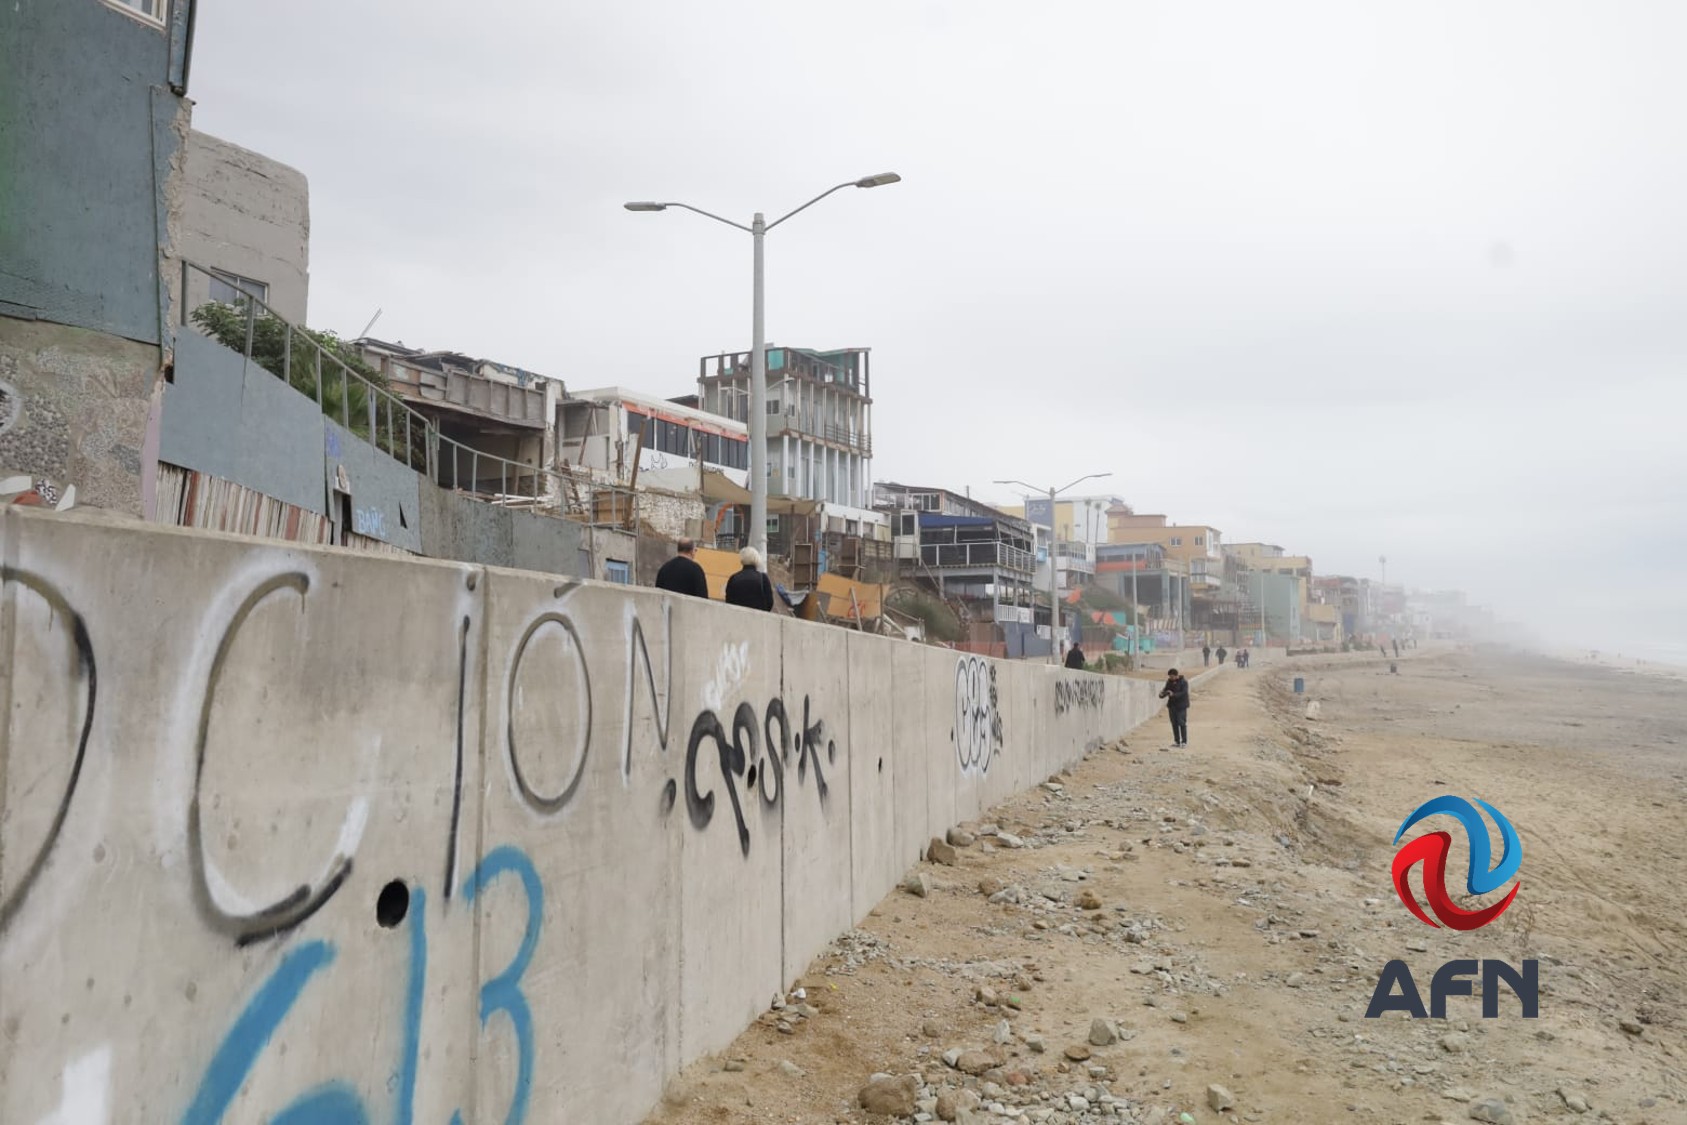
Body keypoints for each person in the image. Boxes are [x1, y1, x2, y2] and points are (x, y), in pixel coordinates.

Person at [724, 546, 775, 611]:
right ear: (757, 559)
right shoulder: (763, 578)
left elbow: (728, 601)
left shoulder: (733, 578)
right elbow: (770, 602)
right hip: (758, 618)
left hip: (737, 616)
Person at [1159, 668, 1190, 747]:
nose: (1171, 678)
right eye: (1170, 676)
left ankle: (1184, 742)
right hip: (1172, 706)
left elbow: (1183, 693)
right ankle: (1177, 741)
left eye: (1172, 676)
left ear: (1176, 675)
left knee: (1181, 723)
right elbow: (1166, 690)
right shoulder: (1169, 682)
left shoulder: (1184, 682)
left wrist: (1174, 695)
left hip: (1181, 706)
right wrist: (1162, 694)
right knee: (1174, 724)